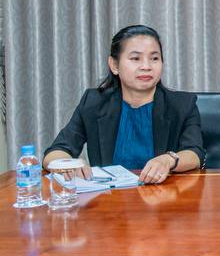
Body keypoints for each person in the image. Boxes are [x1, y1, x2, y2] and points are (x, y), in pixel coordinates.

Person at [44, 25, 205, 184]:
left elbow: (195, 154)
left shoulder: (182, 104)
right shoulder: (94, 103)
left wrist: (169, 160)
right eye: (135, 58)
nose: (146, 66)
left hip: (162, 194)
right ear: (114, 65)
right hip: (109, 196)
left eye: (154, 58)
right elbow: (55, 152)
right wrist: (70, 165)